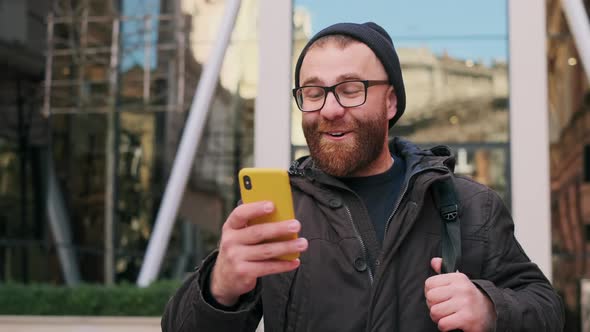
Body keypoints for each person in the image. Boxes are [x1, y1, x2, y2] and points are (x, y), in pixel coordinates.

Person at [161, 22, 564, 331]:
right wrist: (219, 287)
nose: (330, 109)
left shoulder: (472, 204)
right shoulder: (273, 213)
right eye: (314, 92)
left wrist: (491, 309)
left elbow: (547, 308)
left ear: (390, 102)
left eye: (351, 89)